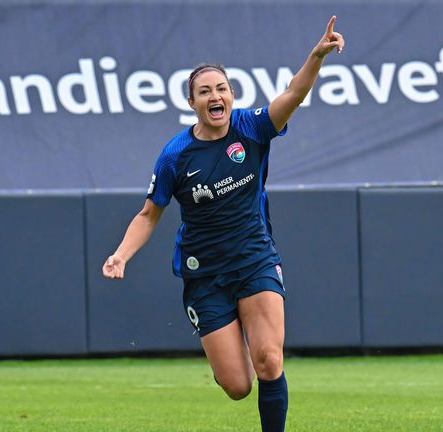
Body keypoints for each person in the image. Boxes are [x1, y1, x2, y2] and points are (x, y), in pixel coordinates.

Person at [102, 16, 344, 432]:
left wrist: (316, 56)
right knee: (237, 386)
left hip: (254, 259)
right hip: (206, 274)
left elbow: (294, 94)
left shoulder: (252, 128)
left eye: (220, 89)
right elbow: (148, 215)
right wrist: (121, 255)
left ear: (231, 95)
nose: (214, 96)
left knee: (268, 359)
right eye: (204, 91)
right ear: (192, 103)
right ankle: (224, 356)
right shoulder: (176, 156)